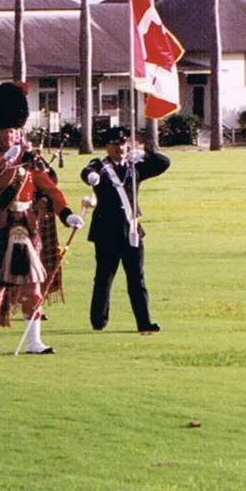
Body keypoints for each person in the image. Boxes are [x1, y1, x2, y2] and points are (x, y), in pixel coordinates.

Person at [0, 83, 84, 354]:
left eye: (16, 130)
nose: (13, 135)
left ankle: (33, 340)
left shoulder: (30, 162)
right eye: (8, 131)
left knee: (34, 288)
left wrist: (66, 214)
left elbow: (50, 188)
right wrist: (8, 159)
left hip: (26, 227)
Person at [81, 126, 170, 335]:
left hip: (131, 230)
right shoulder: (100, 166)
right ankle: (98, 320)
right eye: (114, 144)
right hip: (106, 231)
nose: (119, 148)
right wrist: (92, 177)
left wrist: (146, 153)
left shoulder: (134, 167)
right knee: (104, 277)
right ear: (107, 147)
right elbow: (86, 172)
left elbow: (164, 163)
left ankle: (144, 322)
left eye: (122, 144)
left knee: (137, 278)